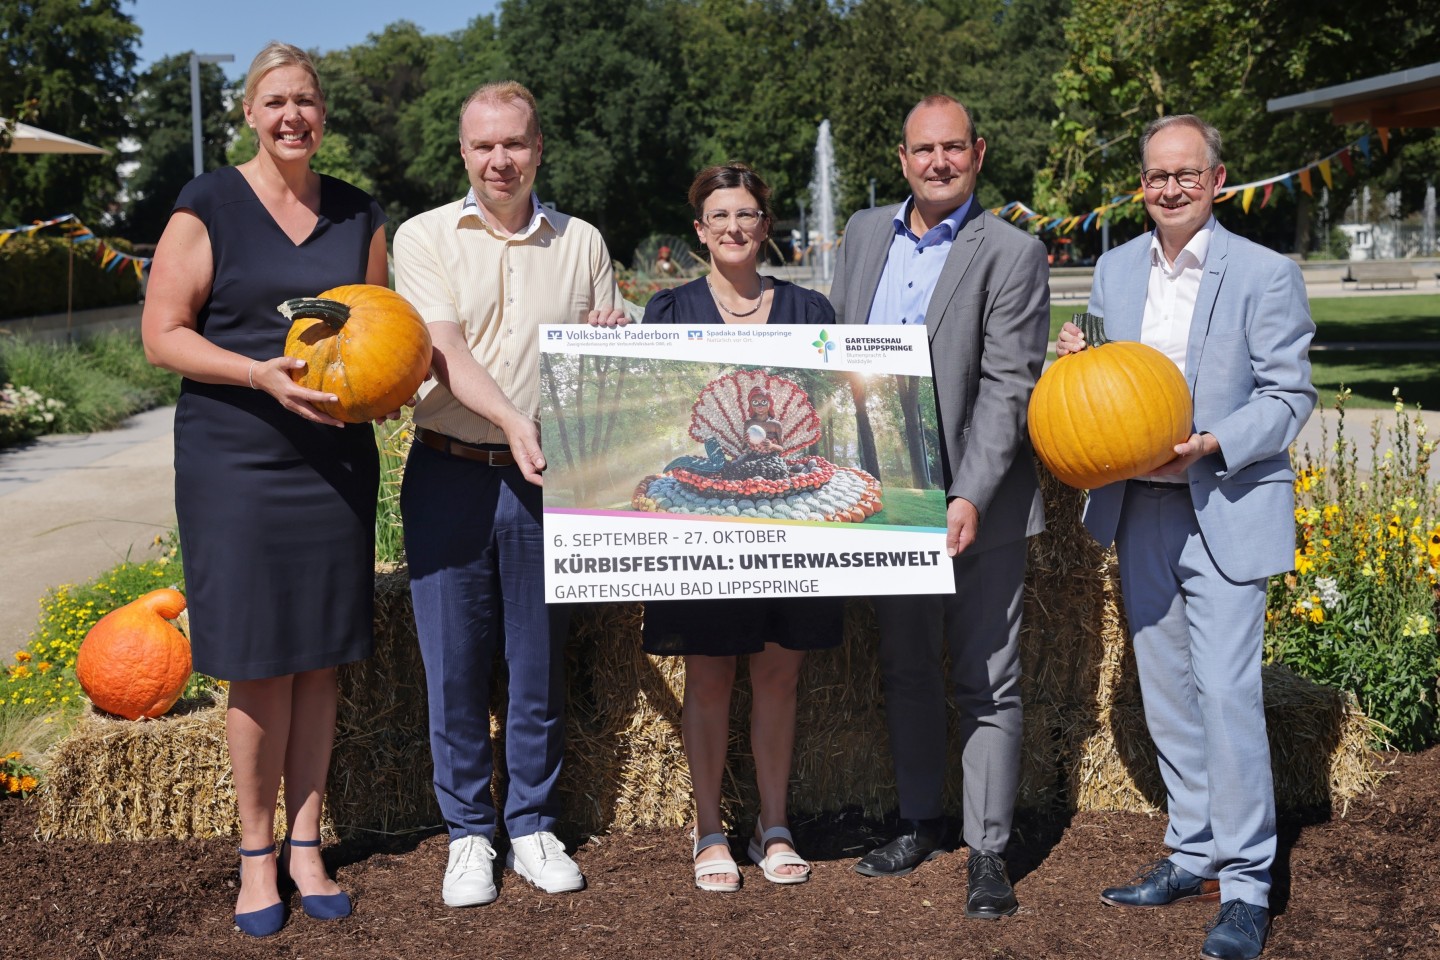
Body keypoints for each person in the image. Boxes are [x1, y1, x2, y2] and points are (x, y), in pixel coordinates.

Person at [140, 42, 390, 937]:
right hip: (235, 458)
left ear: (324, 116)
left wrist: (392, 389)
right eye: (276, 101)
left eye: (308, 102)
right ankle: (254, 856)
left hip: (332, 461)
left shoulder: (359, 213)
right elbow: (163, 334)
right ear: (249, 111)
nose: (293, 116)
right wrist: (259, 376)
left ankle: (308, 845)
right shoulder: (207, 203)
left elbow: (380, 329)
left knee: (320, 657)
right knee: (257, 662)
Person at [1056, 114, 1315, 960]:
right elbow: (1101, 381)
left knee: (1228, 694)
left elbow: (1289, 396)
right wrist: (1073, 357)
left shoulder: (1265, 273)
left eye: (1186, 174)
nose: (1170, 187)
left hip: (1225, 503)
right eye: (1156, 175)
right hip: (1142, 506)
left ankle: (1245, 885)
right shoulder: (1116, 267)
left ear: (1218, 179)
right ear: (1142, 185)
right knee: (1166, 691)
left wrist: (1217, 439)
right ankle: (1193, 851)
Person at [392, 80, 626, 908]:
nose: (500, 159)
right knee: (452, 668)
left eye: (515, 144)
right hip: (450, 469)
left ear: (539, 147)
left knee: (537, 666)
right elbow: (444, 348)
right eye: (484, 145)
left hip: (544, 482)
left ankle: (530, 824)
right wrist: (513, 419)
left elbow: (611, 354)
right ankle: (467, 837)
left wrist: (614, 335)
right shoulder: (424, 237)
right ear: (464, 153)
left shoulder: (583, 241)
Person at [828, 95, 1050, 919]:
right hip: (886, 498)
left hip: (974, 504)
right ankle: (920, 820)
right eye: (924, 150)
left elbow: (1007, 386)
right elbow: (829, 345)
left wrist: (970, 493)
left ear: (979, 153)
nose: (939, 163)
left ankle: (988, 851)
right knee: (908, 667)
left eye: (953, 148)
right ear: (902, 157)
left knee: (990, 681)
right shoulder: (859, 234)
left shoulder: (1013, 252)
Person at [642, 163, 843, 892]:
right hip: (704, 521)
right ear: (700, 231)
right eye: (719, 216)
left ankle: (775, 823)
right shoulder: (668, 311)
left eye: (747, 214)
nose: (734, 227)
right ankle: (707, 830)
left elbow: (830, 405)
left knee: (781, 671)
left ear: (767, 227)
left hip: (788, 516)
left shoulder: (810, 310)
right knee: (710, 670)